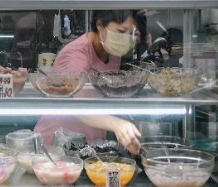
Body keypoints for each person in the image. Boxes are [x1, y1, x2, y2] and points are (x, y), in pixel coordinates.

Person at [34, 10, 143, 154]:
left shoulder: (112, 52)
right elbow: (78, 108)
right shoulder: (76, 55)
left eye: (131, 33)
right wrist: (117, 124)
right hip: (57, 147)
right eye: (121, 31)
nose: (125, 38)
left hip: (89, 145)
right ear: (100, 25)